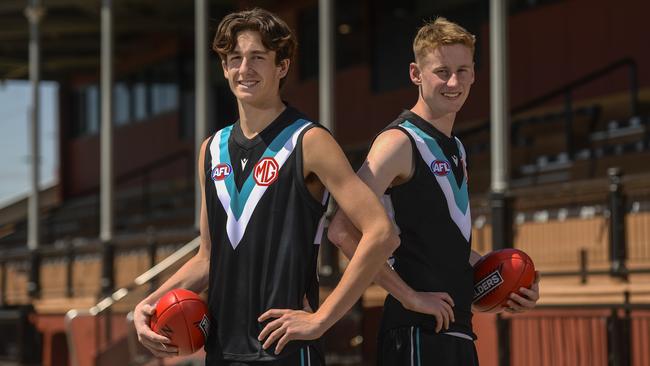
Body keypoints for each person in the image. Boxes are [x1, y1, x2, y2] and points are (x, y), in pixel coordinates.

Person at [133, 8, 399, 366]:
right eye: (235, 58)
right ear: (224, 68)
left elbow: (380, 233)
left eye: (258, 57)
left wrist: (323, 318)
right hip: (222, 351)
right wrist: (147, 306)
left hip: (286, 350)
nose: (245, 69)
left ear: (282, 67)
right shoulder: (210, 150)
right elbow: (207, 258)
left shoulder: (310, 141)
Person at [327, 17, 540, 366]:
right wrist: (409, 296)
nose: (453, 82)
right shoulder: (397, 142)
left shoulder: (455, 146)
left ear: (474, 73)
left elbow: (441, 243)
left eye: (463, 70)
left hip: (456, 331)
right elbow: (342, 230)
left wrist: (510, 283)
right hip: (414, 333)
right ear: (416, 74)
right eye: (442, 71)